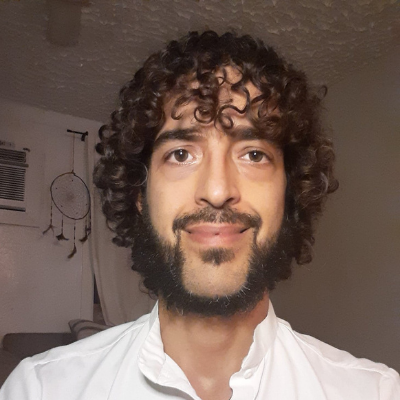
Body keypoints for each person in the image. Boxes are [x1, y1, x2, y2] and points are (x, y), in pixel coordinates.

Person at [1, 31, 399, 400]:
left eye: (253, 154)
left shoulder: (377, 392)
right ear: (139, 193)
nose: (217, 190)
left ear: (289, 191)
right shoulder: (41, 390)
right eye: (181, 154)